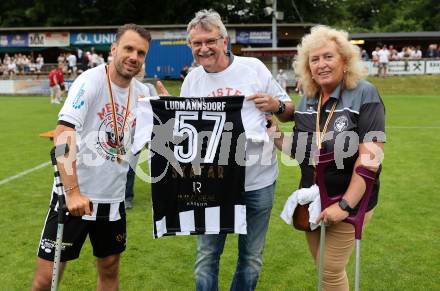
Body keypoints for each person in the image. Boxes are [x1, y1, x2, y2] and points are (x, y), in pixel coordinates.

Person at [158, 9, 294, 291]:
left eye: (210, 41)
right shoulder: (193, 81)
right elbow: (184, 139)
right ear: (190, 46)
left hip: (258, 180)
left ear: (224, 41)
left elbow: (288, 111)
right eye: (197, 43)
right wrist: (169, 113)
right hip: (212, 181)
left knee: (251, 258)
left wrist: (275, 105)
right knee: (206, 257)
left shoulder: (253, 68)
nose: (204, 48)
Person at [31, 24, 152, 291]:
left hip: (113, 201)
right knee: (44, 280)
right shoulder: (91, 81)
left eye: (141, 53)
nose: (134, 56)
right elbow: (63, 133)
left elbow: (158, 139)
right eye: (128, 48)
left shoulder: (143, 93)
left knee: (109, 271)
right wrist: (73, 193)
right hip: (73, 200)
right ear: (114, 49)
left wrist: (167, 110)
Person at [270, 25, 385, 291]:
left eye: (328, 56)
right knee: (324, 269)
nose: (321, 64)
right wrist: (274, 134)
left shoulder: (365, 93)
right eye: (314, 59)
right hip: (312, 197)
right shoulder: (307, 100)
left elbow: (371, 158)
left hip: (349, 199)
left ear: (345, 61)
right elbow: (302, 151)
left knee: (330, 271)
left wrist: (344, 205)